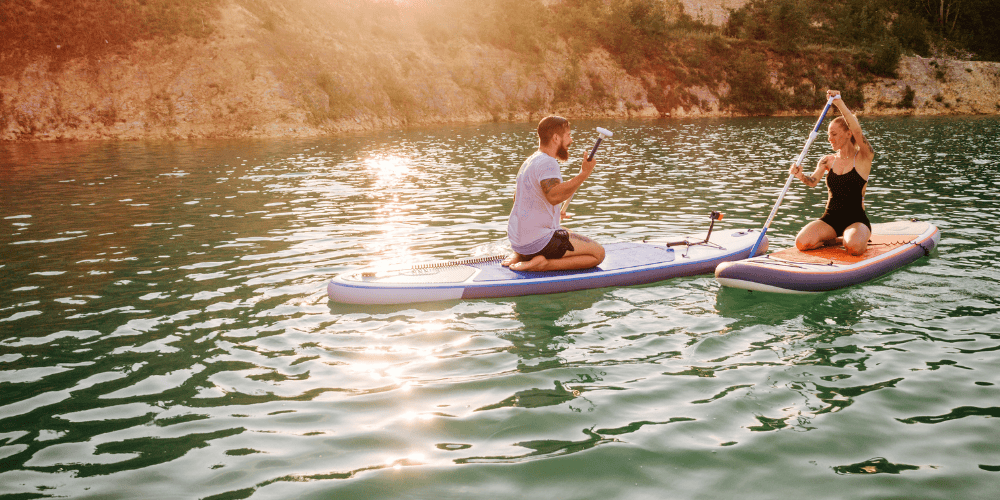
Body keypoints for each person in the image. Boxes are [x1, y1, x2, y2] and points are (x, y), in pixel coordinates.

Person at [502, 116, 606, 272]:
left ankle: (522, 255)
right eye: (568, 135)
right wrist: (584, 173)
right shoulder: (548, 162)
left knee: (566, 231)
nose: (571, 140)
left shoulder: (530, 160)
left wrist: (554, 213)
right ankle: (542, 264)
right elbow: (554, 196)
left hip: (518, 241)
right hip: (536, 243)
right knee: (598, 254)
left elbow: (520, 199)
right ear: (556, 138)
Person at [788, 90, 874, 256]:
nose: (829, 139)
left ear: (848, 134)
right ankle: (835, 239)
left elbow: (858, 131)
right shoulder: (827, 160)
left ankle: (856, 237)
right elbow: (812, 181)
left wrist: (839, 103)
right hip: (830, 219)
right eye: (828, 134)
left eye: (834, 134)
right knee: (801, 242)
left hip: (856, 220)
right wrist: (800, 175)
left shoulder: (864, 157)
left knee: (854, 248)